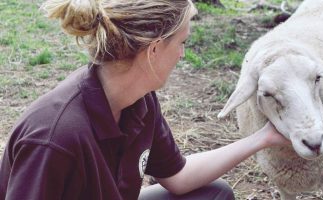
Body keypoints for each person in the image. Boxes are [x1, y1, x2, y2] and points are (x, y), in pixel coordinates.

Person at [0, 0, 290, 199]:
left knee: (215, 193)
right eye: (182, 42)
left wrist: (263, 138)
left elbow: (179, 177)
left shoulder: (140, 103)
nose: (182, 54)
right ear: (153, 51)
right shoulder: (56, 138)